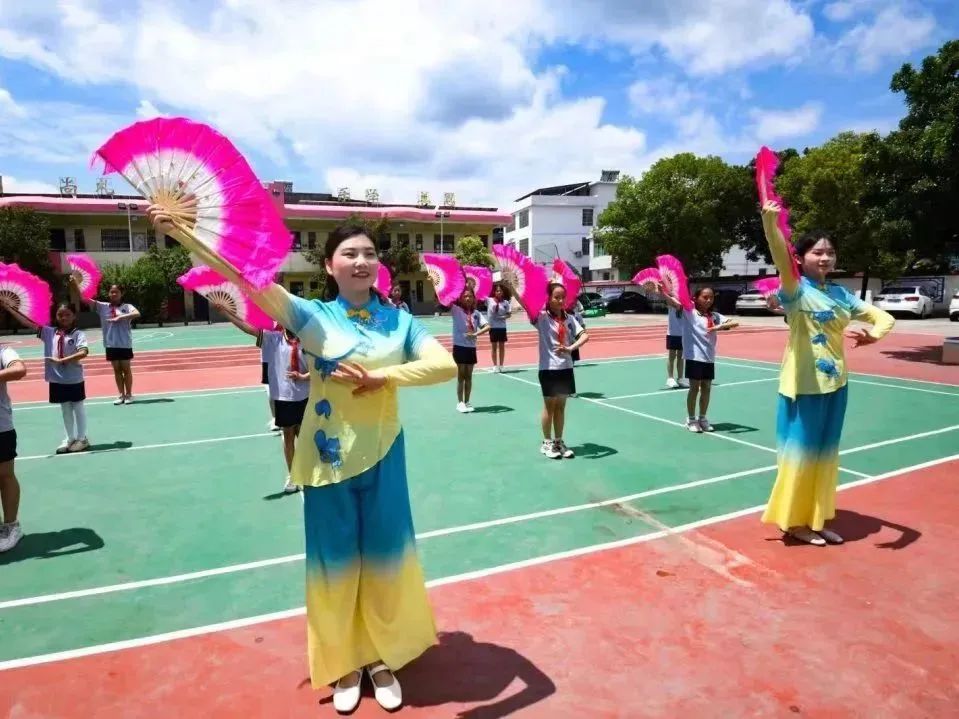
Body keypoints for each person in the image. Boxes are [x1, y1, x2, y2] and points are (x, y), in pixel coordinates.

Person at [147, 204, 455, 714]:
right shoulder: (311, 315)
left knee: (382, 557)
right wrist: (183, 231)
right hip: (327, 458)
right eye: (349, 253)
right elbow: (245, 275)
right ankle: (343, 663)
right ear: (329, 265)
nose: (361, 261)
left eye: (369, 254)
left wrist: (386, 378)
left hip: (383, 454)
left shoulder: (400, 323)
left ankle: (379, 657)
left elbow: (442, 365)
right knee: (333, 563)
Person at [758, 200, 895, 546]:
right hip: (803, 385)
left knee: (825, 455)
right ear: (802, 258)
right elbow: (779, 254)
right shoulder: (795, 288)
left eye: (830, 253)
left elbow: (884, 318)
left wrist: (872, 335)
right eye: (817, 252)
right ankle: (793, 523)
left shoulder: (840, 294)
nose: (825, 258)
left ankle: (816, 518)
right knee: (800, 455)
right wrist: (770, 223)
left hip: (836, 384)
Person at [216, 305, 306, 493]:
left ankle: (307, 472)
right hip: (284, 396)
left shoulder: (308, 340)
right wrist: (226, 313)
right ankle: (293, 476)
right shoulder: (273, 339)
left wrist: (304, 377)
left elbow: (319, 367)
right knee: (288, 436)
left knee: (305, 437)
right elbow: (247, 328)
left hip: (306, 396)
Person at [4, 302, 91, 453]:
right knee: (65, 409)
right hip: (57, 379)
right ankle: (69, 438)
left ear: (74, 316)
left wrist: (63, 360)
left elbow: (83, 352)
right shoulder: (49, 332)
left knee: (78, 407)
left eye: (67, 314)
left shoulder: (78, 334)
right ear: (56, 317)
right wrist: (9, 308)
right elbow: (27, 322)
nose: (64, 317)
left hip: (74, 378)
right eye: (60, 315)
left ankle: (82, 438)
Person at [661, 287, 738, 432]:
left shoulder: (714, 316)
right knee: (694, 388)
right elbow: (673, 302)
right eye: (705, 297)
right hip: (694, 357)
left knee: (707, 388)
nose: (708, 300)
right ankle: (691, 419)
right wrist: (662, 292)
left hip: (709, 357)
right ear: (696, 298)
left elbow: (734, 323)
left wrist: (718, 327)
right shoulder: (690, 313)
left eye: (711, 298)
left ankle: (703, 418)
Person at [532, 283, 589, 459]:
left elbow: (585, 335)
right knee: (550, 407)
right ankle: (547, 442)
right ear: (548, 298)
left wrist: (570, 348)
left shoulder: (570, 318)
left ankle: (559, 441)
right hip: (549, 368)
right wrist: (510, 288)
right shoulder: (541, 318)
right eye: (556, 297)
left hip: (566, 368)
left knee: (561, 407)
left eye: (563, 297)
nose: (560, 300)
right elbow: (526, 304)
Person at [73, 278, 140, 404]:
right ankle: (121, 394)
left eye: (116, 292)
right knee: (116, 370)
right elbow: (83, 299)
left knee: (126, 369)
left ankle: (129, 394)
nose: (114, 294)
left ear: (121, 293)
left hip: (124, 343)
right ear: (108, 293)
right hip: (110, 344)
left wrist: (120, 317)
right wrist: (76, 283)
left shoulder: (127, 307)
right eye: (111, 292)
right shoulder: (102, 306)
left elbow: (137, 313)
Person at [0, 341, 27, 552]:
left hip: (1, 426)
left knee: (5, 474)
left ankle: (11, 526)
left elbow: (19, 369)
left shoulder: (3, 351)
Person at [450, 287, 489, 412]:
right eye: (465, 296)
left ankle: (467, 401)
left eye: (470, 296)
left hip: (471, 347)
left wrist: (476, 334)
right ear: (460, 298)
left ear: (474, 298)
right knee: (461, 376)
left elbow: (488, 326)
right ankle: (460, 402)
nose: (468, 298)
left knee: (469, 376)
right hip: (460, 346)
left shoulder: (476, 313)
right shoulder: (456, 310)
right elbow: (443, 301)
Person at [485, 282, 512, 372]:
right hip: (492, 327)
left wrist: (502, 317)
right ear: (494, 292)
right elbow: (480, 295)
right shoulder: (489, 300)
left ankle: (501, 365)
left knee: (502, 347)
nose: (499, 292)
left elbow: (509, 314)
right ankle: (494, 365)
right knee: (493, 347)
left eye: (500, 291)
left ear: (502, 292)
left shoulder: (506, 303)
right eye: (497, 291)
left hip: (502, 327)